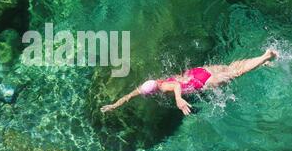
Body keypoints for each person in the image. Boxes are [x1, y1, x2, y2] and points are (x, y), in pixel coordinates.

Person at [100, 49, 279, 115]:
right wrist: (114, 105)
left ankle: (265, 56)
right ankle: (262, 62)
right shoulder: (155, 82)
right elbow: (129, 95)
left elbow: (176, 85)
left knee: (236, 73)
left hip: (204, 82)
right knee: (231, 67)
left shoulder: (162, 87)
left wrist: (178, 99)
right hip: (199, 71)